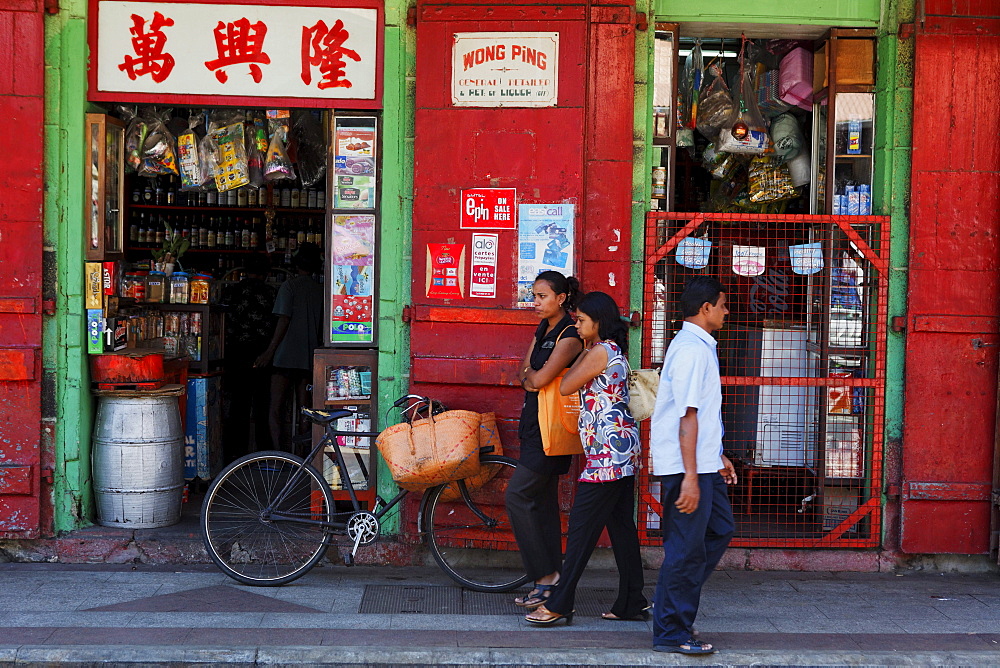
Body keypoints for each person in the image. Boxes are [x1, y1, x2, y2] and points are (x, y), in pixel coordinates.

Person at [525, 291, 647, 626]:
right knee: (621, 527)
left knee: (580, 530)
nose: (576, 326)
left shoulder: (600, 352)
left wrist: (582, 351)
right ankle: (631, 600)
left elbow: (565, 385)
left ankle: (560, 603)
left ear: (599, 322)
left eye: (580, 321)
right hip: (619, 449)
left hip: (608, 455)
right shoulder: (609, 350)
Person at [649, 276, 738, 655]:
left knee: (719, 529)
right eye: (722, 304)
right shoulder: (690, 349)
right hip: (687, 468)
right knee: (686, 549)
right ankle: (671, 631)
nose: (726, 310)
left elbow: (701, 415)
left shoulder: (699, 346)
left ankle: (671, 600)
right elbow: (686, 417)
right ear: (705, 309)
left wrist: (716, 454)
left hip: (702, 463)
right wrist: (689, 477)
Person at [505, 271, 584, 611]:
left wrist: (531, 378)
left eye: (542, 296)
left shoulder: (569, 335)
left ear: (561, 298)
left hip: (552, 429)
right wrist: (530, 378)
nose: (535, 302)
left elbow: (540, 377)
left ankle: (545, 576)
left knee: (517, 496)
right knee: (545, 504)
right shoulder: (543, 329)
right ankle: (553, 579)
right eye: (534, 295)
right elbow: (524, 373)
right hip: (533, 425)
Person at [255, 242, 324, 453]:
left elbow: (283, 320)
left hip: (285, 356)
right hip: (308, 357)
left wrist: (269, 351)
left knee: (276, 408)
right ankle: (303, 456)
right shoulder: (320, 290)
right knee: (305, 409)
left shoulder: (289, 286)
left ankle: (279, 454)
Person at [221, 253, 276, 460]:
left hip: (235, 353)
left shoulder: (233, 291)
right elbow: (276, 324)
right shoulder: (271, 293)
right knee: (262, 406)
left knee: (238, 406)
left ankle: (235, 456)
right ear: (267, 272)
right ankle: (264, 454)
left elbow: (223, 321)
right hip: (263, 353)